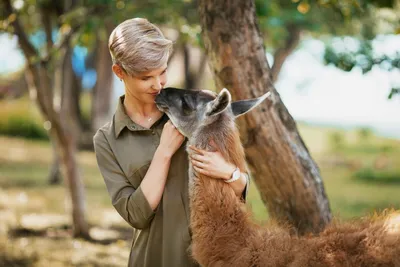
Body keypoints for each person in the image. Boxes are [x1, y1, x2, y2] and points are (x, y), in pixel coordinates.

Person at [93, 18, 249, 267]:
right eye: (146, 78)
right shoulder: (107, 140)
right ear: (119, 72)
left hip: (210, 257)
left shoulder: (193, 110)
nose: (159, 85)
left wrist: (231, 174)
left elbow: (238, 192)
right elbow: (136, 215)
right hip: (155, 257)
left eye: (162, 71)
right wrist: (164, 151)